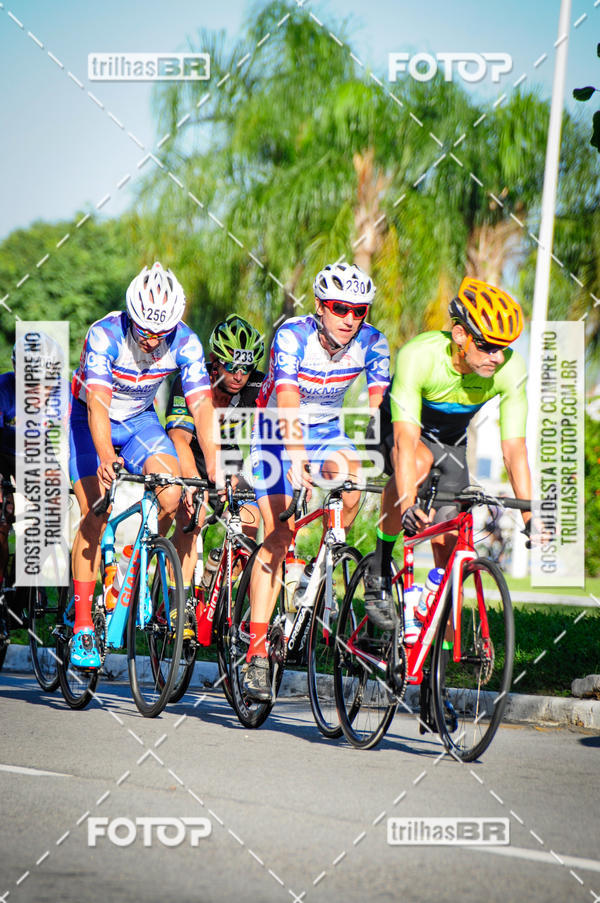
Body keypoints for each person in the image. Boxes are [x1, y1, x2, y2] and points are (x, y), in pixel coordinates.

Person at [244, 262, 390, 700]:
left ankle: (325, 560)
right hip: (275, 429)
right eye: (340, 308)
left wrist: (381, 454)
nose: (350, 318)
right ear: (320, 306)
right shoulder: (293, 336)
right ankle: (255, 656)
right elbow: (286, 399)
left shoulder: (372, 342)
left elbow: (376, 407)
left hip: (326, 430)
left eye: (359, 310)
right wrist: (295, 459)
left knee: (354, 482)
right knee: (277, 534)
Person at [68, 262, 217, 668]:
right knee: (95, 513)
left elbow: (202, 409)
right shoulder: (105, 333)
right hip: (90, 418)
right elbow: (98, 404)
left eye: (161, 333)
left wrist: (214, 470)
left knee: (173, 494)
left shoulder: (186, 342)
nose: (152, 341)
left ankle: (145, 554)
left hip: (138, 419)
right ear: (130, 314)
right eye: (144, 331)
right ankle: (83, 624)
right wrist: (104, 458)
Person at [365, 276, 533, 628]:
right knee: (418, 462)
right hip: (394, 432)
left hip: (451, 445)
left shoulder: (509, 368)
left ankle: (430, 653)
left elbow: (514, 448)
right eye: (488, 346)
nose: (497, 357)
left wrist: (531, 517)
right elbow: (406, 442)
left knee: (451, 545)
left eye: (504, 347)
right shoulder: (419, 356)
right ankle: (378, 570)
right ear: (460, 335)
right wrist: (409, 503)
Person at [166, 314, 266, 601]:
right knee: (192, 517)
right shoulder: (191, 380)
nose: (238, 375)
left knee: (250, 518)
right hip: (188, 449)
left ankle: (218, 574)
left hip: (226, 452)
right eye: (231, 366)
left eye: (246, 368)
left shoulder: (256, 386)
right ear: (214, 361)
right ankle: (177, 605)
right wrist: (193, 482)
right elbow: (179, 439)